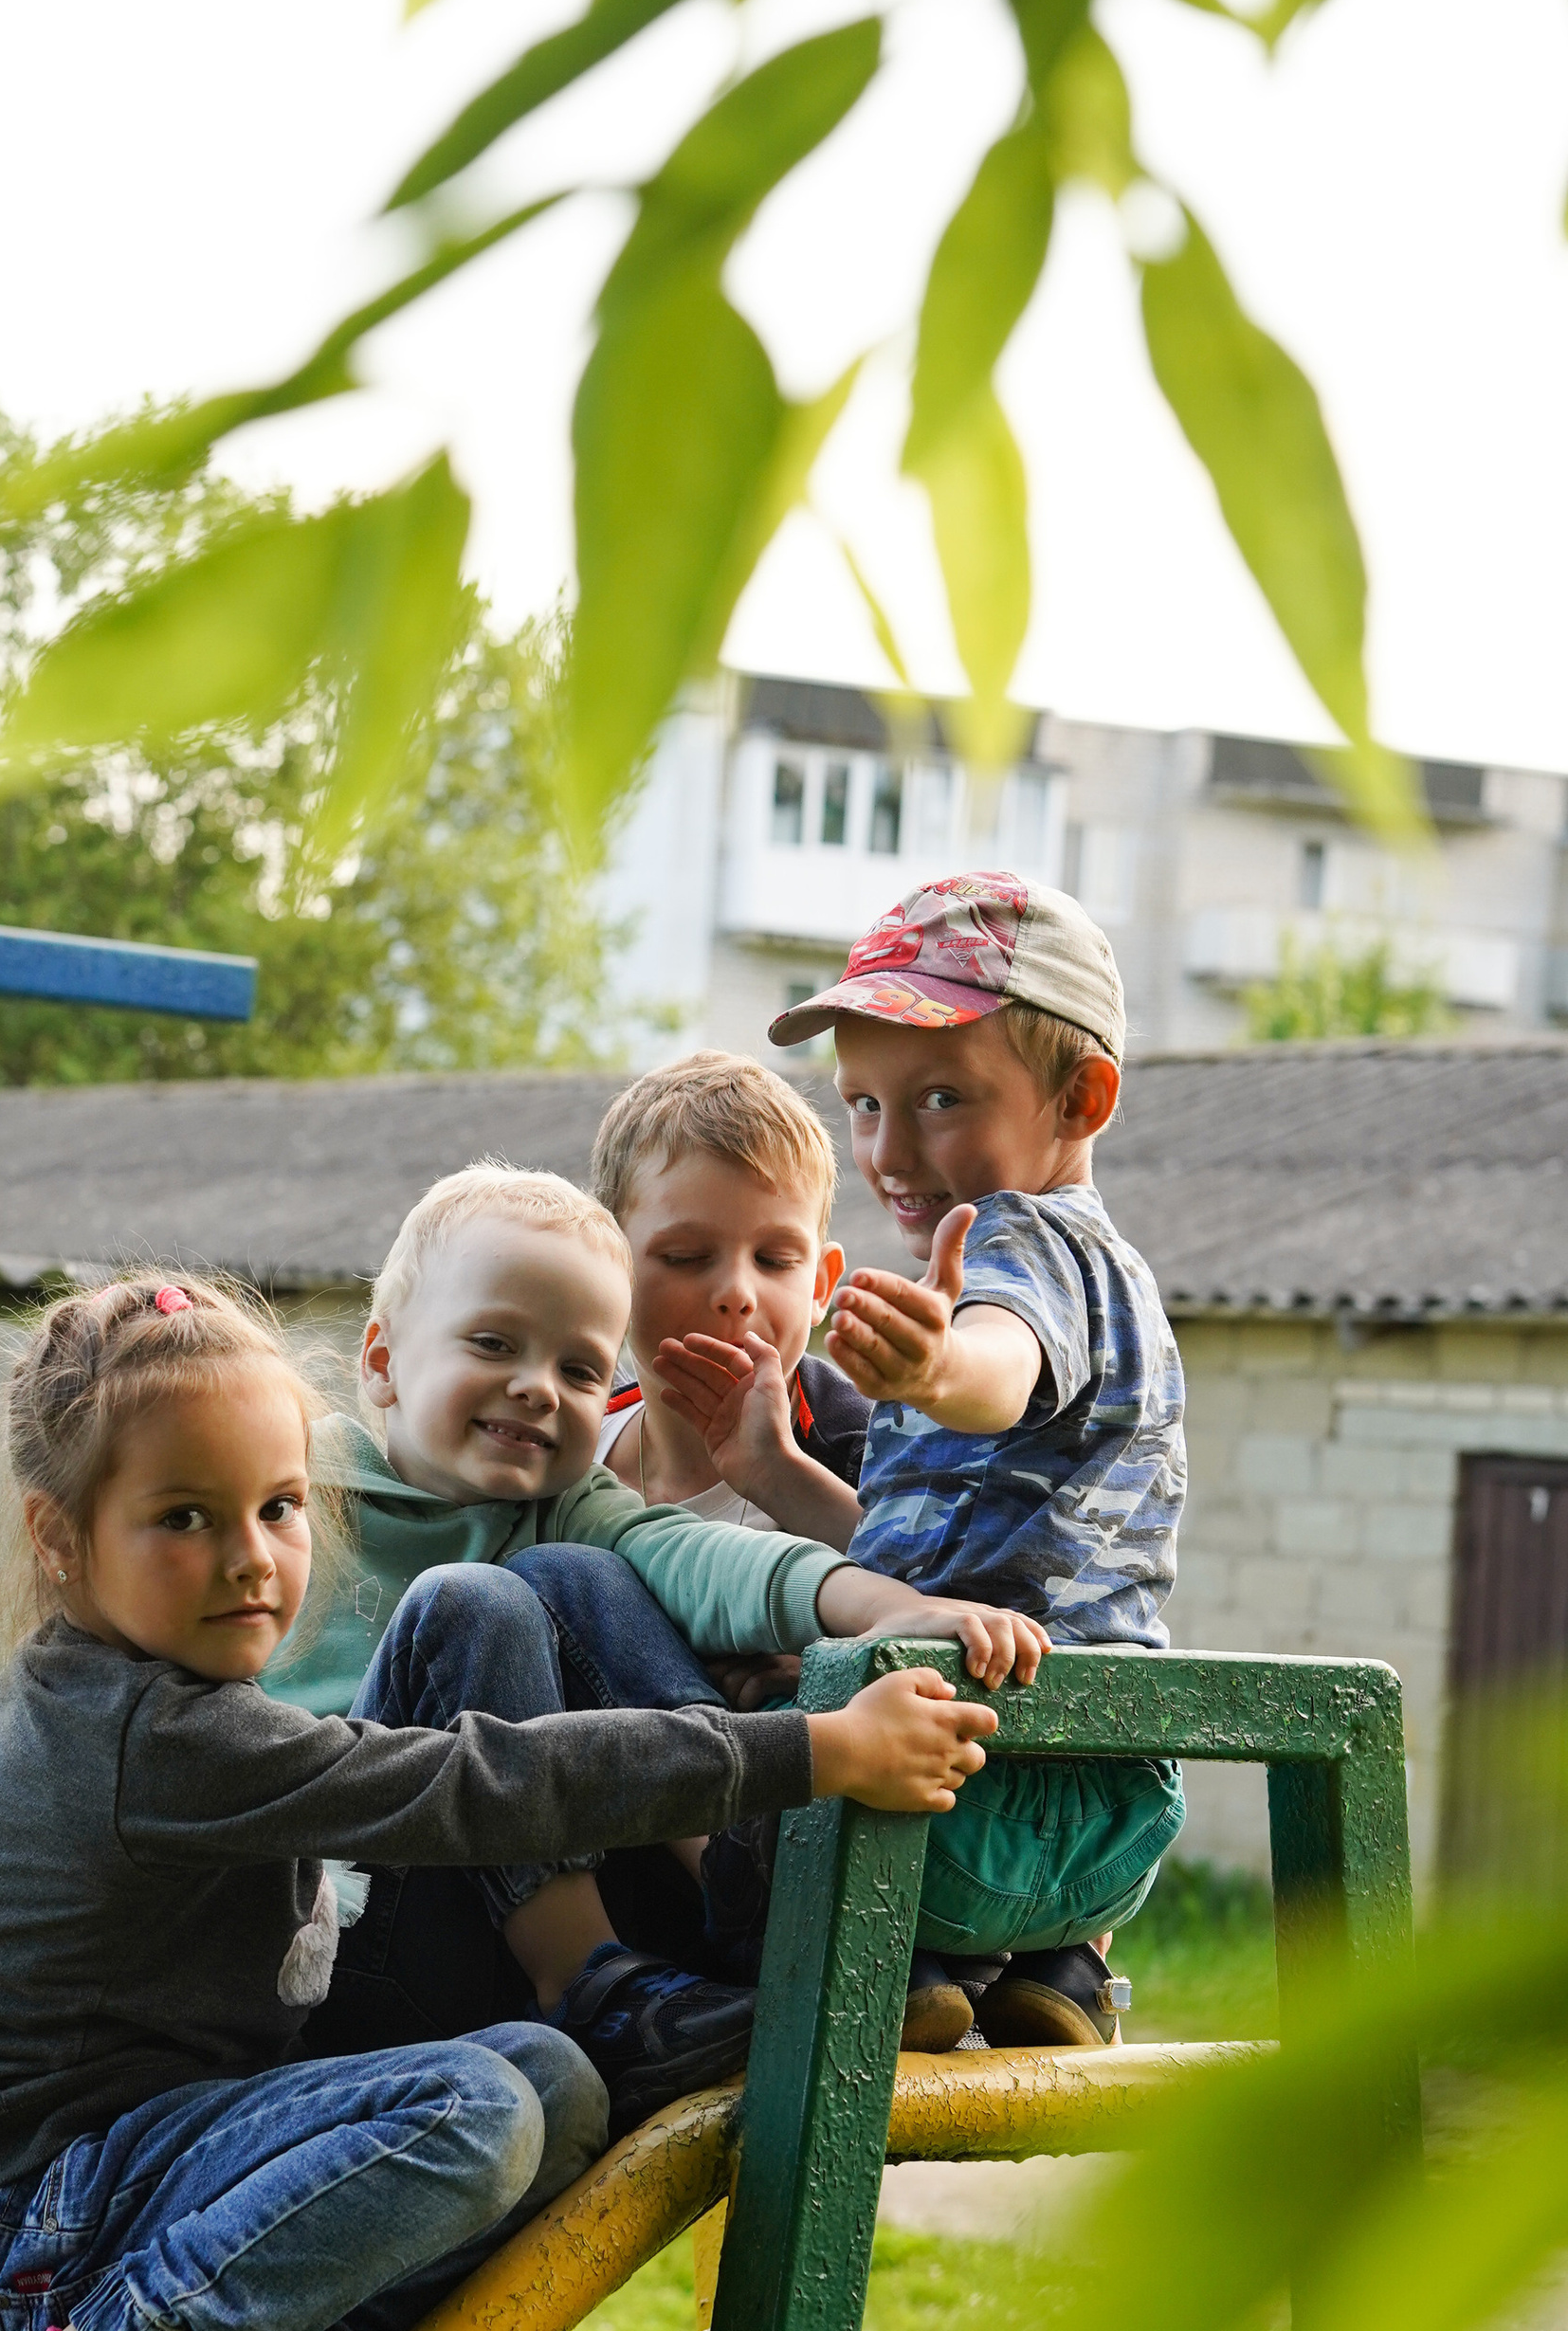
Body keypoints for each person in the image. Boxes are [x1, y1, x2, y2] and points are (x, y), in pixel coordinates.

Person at [0, 1271, 1004, 2331]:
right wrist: (807, 1749)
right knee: (471, 2111)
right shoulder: (142, 1733)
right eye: (184, 1518)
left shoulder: (163, 1695)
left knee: (557, 2087)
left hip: (158, 2158)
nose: (253, 1557)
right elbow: (478, 1783)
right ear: (58, 1536)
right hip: (39, 2232)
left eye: (282, 1507)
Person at [274, 1165, 1046, 2112]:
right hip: (336, 1939)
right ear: (384, 1361)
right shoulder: (290, 1493)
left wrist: (882, 1607)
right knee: (469, 1604)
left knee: (588, 1575)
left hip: (484, 1956)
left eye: (580, 1371)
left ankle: (744, 1891)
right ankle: (595, 1984)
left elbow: (700, 1559)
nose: (535, 1389)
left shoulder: (567, 1508)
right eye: (491, 1343)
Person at [663, 870, 1186, 2053]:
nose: (890, 1149)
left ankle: (884, 1958)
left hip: (948, 1783)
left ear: (1079, 1099)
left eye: (940, 1097)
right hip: (1108, 1799)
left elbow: (996, 1363)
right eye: (862, 1105)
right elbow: (935, 1555)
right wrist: (777, 1473)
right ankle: (1053, 1969)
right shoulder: (1129, 1287)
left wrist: (931, 1370)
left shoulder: (1018, 1238)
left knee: (709, 1706)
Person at [588, 1051, 866, 1546]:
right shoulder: (571, 1434)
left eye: (774, 1260)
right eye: (686, 1256)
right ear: (607, 1268)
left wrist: (782, 1478)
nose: (737, 1294)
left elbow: (941, 1591)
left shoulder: (866, 1451)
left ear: (821, 1285)